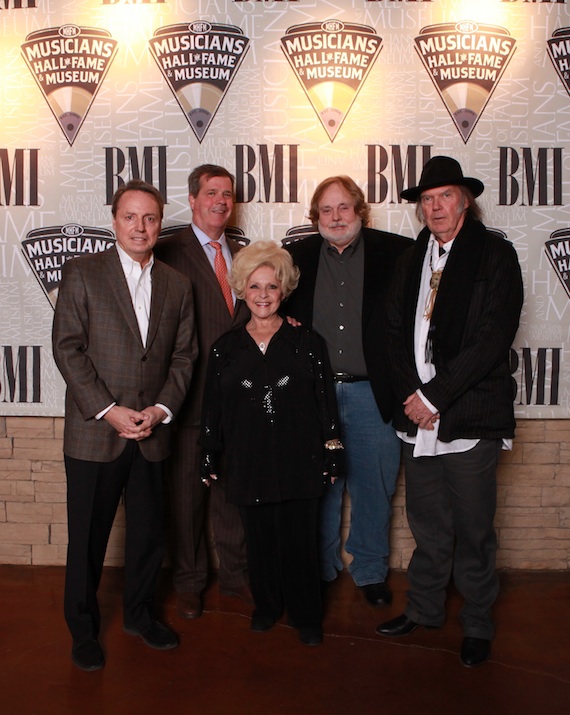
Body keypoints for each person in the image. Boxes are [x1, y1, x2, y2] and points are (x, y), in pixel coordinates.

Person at [376, 156, 524, 668]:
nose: (435, 206)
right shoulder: (413, 256)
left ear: (464, 200)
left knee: (475, 527)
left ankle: (479, 622)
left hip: (468, 416)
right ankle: (425, 608)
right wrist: (413, 398)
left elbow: (491, 340)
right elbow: (393, 331)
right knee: (428, 523)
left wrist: (435, 397)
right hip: (417, 418)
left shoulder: (495, 257)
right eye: (427, 199)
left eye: (445, 196)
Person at [52, 179, 196, 671]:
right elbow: (67, 348)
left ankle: (139, 615)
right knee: (87, 539)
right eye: (130, 216)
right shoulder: (83, 273)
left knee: (150, 536)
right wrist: (108, 409)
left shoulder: (178, 285)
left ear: (160, 224)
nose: (140, 226)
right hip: (96, 432)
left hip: (151, 433)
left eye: (150, 218)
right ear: (114, 221)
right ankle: (83, 630)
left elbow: (183, 357)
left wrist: (160, 411)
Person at [199, 241, 344, 646]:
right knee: (259, 540)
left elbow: (325, 403)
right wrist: (209, 452)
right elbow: (213, 408)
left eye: (272, 287)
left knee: (300, 541)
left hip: (301, 458)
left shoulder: (308, 343)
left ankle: (306, 615)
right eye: (255, 286)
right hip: (247, 459)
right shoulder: (224, 348)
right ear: (242, 290)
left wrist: (333, 454)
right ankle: (266, 607)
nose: (263, 295)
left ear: (284, 291)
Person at [284, 176, 411, 606]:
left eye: (343, 208)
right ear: (315, 216)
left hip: (372, 393)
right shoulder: (296, 258)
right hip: (312, 395)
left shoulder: (396, 253)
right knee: (320, 485)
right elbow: (266, 310)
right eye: (326, 210)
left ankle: (371, 569)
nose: (335, 217)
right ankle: (320, 567)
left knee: (373, 485)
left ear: (359, 210)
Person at [154, 165, 250, 619]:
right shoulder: (168, 249)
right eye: (211, 193)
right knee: (188, 499)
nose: (220, 201)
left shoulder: (241, 253)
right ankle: (190, 582)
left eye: (227, 194)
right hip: (188, 399)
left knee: (231, 497)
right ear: (192, 200)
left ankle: (235, 578)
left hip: (236, 402)